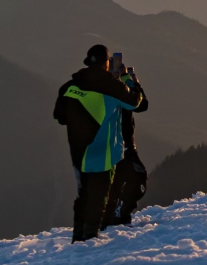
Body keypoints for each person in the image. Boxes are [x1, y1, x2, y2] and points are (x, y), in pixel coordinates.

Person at [53, 45, 145, 242]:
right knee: (98, 195)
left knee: (83, 195)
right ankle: (90, 238)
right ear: (106, 64)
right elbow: (135, 102)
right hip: (104, 151)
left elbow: (59, 116)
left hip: (78, 150)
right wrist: (129, 81)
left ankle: (78, 237)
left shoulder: (70, 86)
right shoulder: (113, 86)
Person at [102, 67, 149, 228]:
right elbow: (141, 104)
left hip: (117, 145)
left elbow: (142, 104)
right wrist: (128, 80)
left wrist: (132, 83)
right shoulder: (114, 90)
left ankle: (113, 218)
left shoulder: (120, 90)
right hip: (119, 146)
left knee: (117, 182)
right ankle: (117, 216)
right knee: (136, 178)